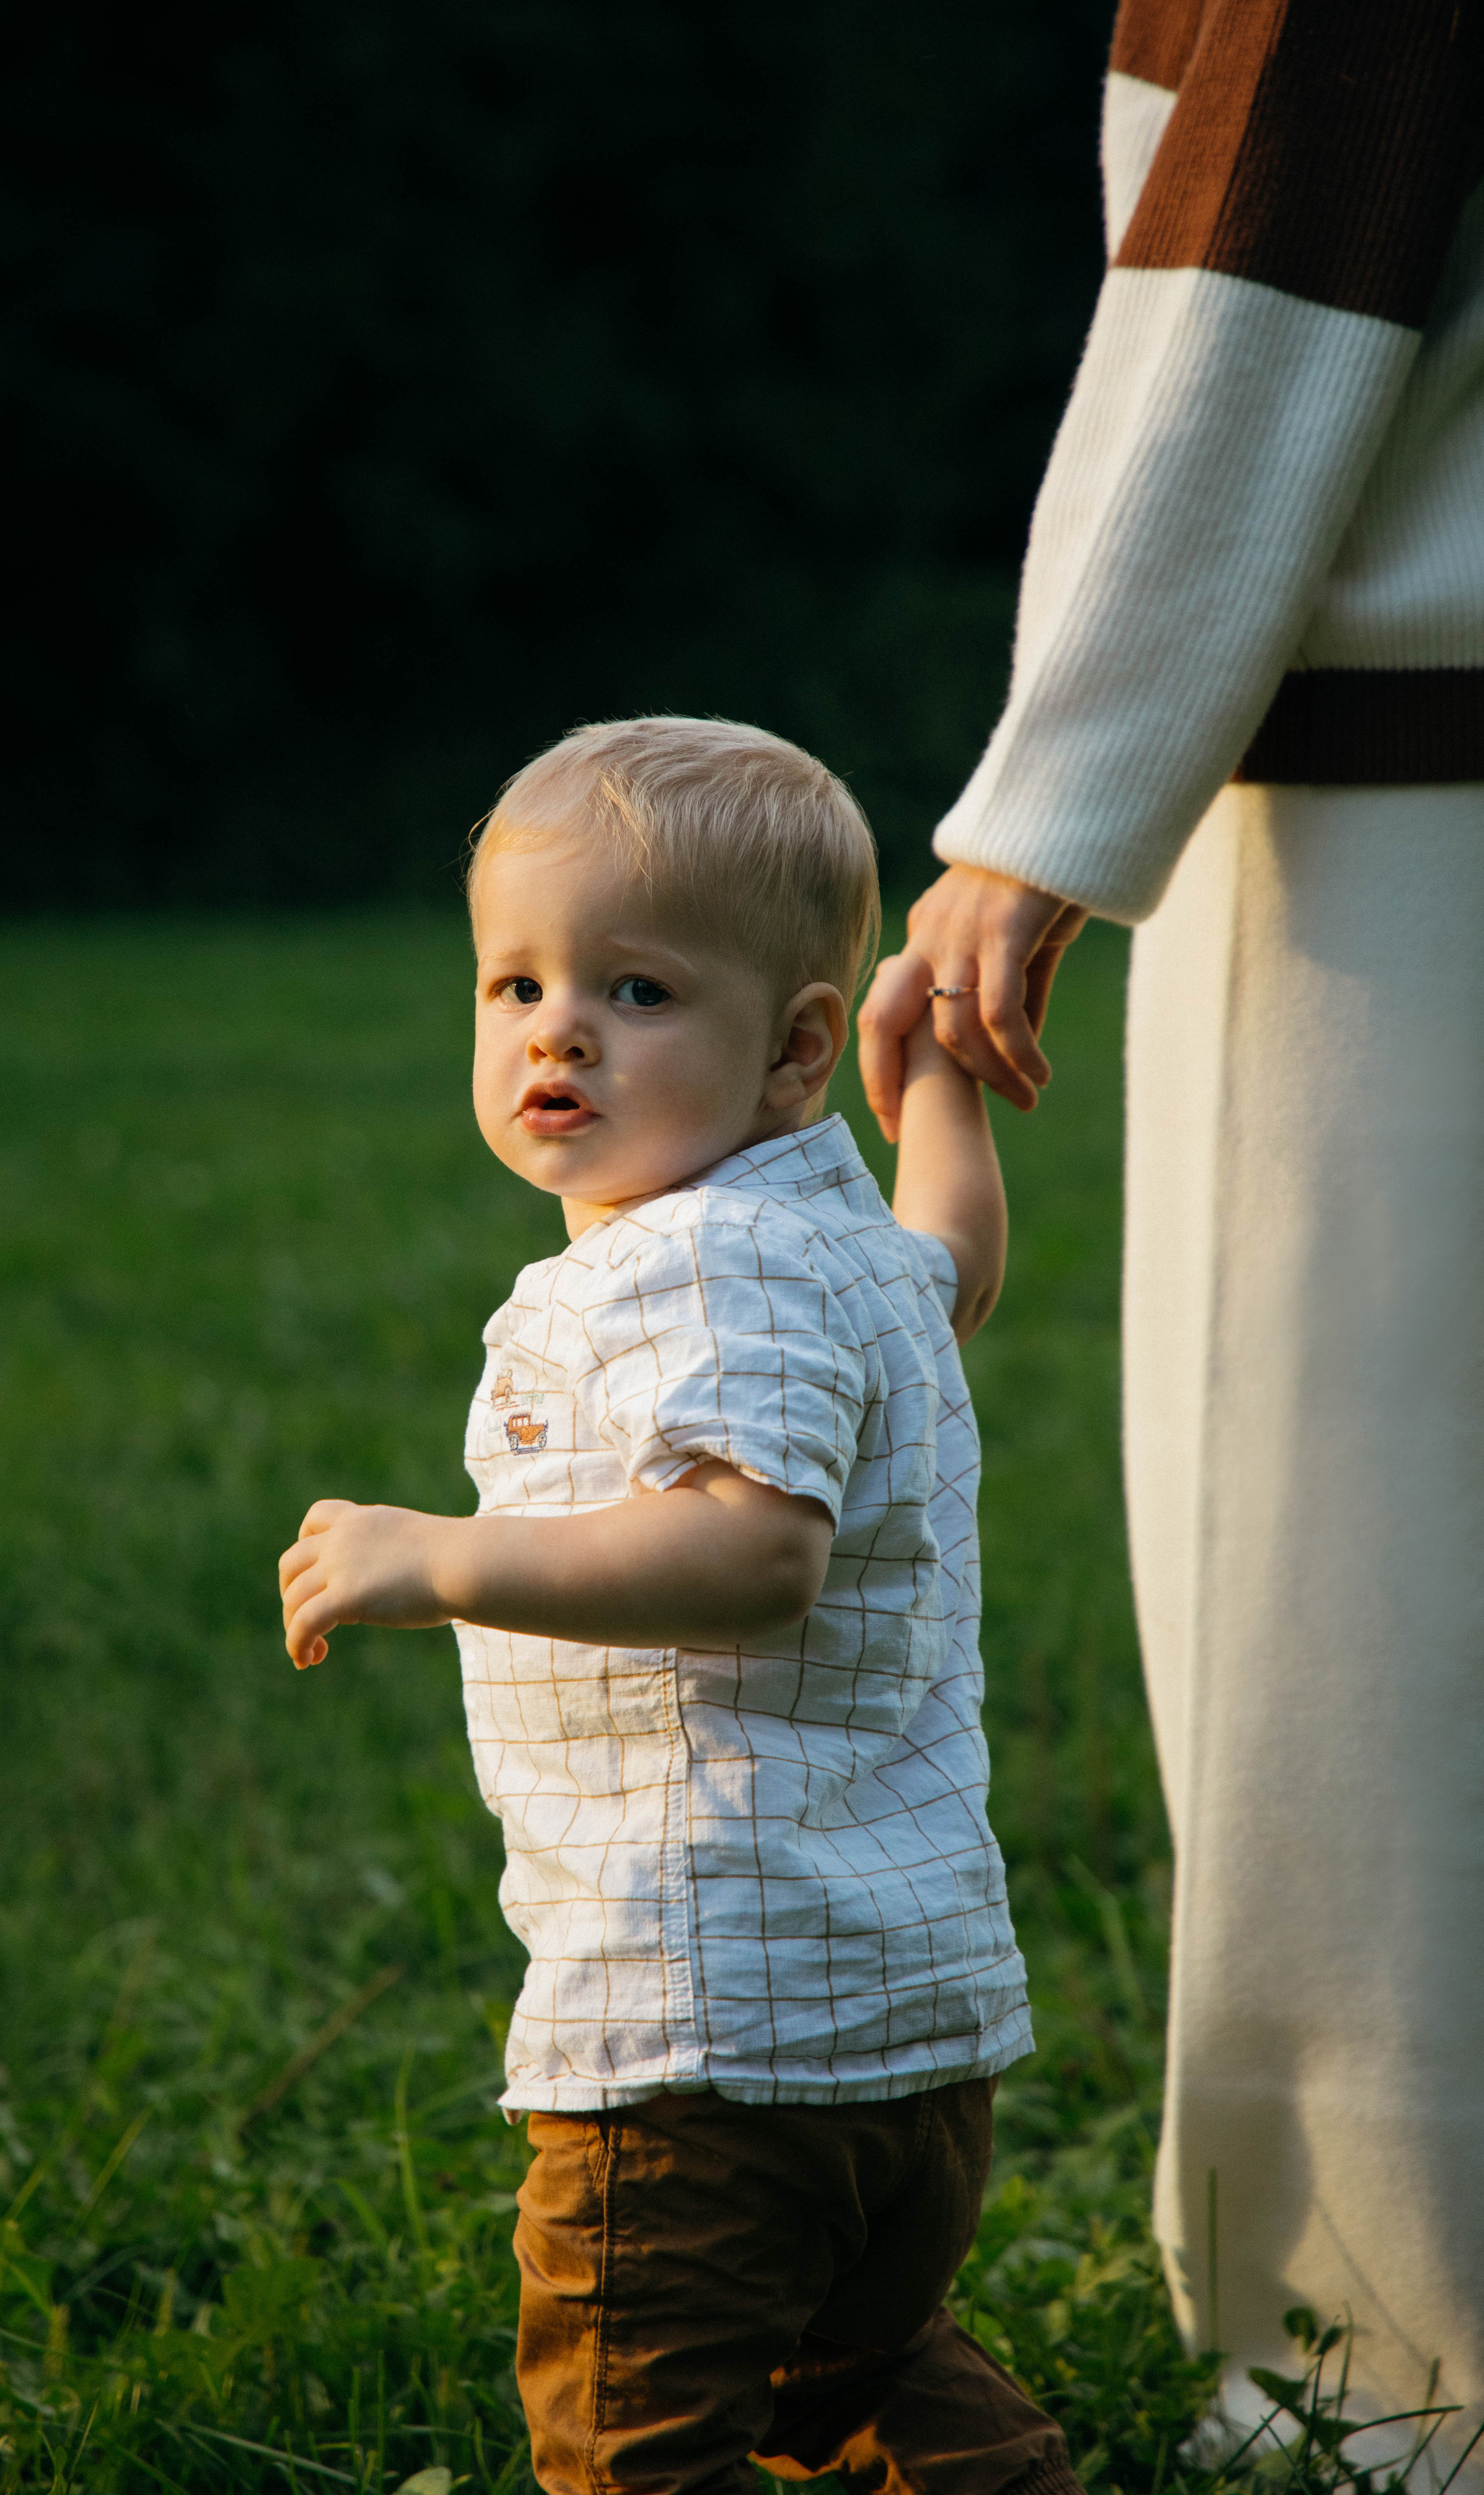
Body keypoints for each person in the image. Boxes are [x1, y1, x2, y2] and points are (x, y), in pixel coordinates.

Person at [860, 0, 1484, 2476]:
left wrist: (1061, 785)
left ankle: (1385, 2371)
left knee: (1350, 1617)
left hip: (1387, 832)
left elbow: (1287, 252)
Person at [278, 716, 1082, 2495]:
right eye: (513, 986)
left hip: (700, 2031)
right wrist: (932, 1087)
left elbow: (754, 1550)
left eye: (636, 989)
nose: (556, 1028)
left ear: (792, 1046)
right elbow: (949, 1262)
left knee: (634, 2436)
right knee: (866, 2371)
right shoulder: (834, 1241)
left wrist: (441, 1557)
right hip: (909, 2033)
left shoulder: (698, 1269)